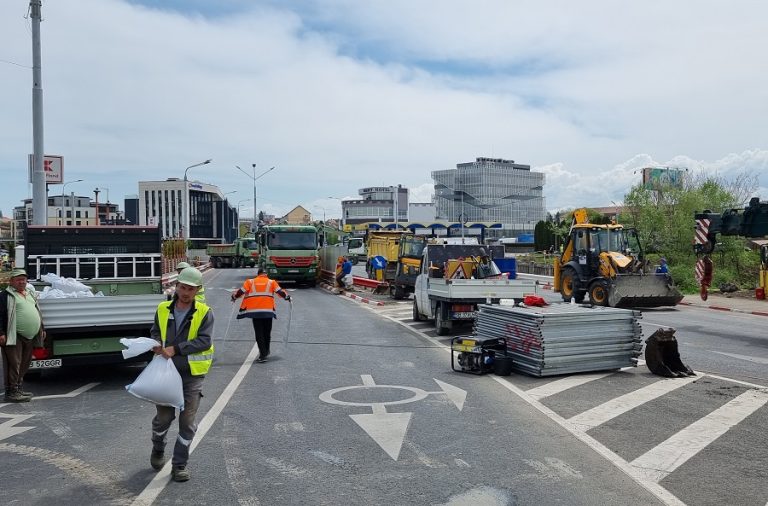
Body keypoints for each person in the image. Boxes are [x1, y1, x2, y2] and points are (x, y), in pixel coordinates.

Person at [148, 267, 214, 482]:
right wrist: (156, 344)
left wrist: (176, 349)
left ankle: (179, 465)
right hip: (166, 373)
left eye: (191, 289)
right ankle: (158, 448)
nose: (186, 293)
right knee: (163, 418)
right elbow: (155, 331)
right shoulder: (162, 308)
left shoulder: (204, 312)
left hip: (191, 375)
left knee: (187, 422)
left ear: (198, 290)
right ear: (176, 286)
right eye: (183, 287)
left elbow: (205, 341)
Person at [0, 269, 46, 403]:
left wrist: (41, 328)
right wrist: (1, 333)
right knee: (14, 364)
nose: (21, 282)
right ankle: (11, 392)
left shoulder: (29, 293)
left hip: (30, 336)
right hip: (14, 335)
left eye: (24, 279)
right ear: (11, 281)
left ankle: (18, 388)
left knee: (25, 363)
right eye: (18, 279)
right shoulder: (5, 296)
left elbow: (37, 311)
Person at [231, 266, 291, 363]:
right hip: (268, 312)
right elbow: (280, 292)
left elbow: (241, 292)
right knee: (267, 332)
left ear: (258, 274)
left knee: (259, 333)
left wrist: (234, 297)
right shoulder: (271, 282)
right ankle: (266, 351)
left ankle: (263, 355)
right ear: (266, 274)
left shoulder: (250, 282)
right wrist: (287, 297)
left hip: (255, 312)